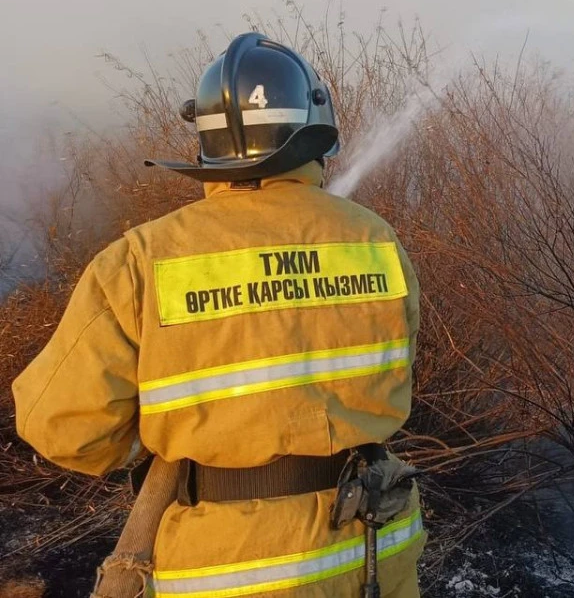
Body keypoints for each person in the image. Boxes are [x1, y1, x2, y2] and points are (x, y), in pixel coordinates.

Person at [12, 32, 424, 597]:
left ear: (206, 142)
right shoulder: (375, 240)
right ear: (312, 131)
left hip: (231, 568)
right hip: (377, 540)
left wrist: (163, 437)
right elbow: (395, 370)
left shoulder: (141, 259)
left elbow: (62, 427)